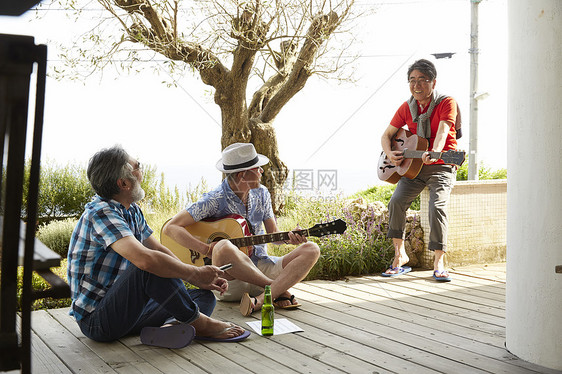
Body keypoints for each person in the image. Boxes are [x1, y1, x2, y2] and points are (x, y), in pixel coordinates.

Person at [67, 145, 250, 349]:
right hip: (98, 321)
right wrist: (194, 274)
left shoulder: (132, 210)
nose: (142, 171)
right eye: (138, 166)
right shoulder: (100, 213)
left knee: (203, 296)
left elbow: (160, 249)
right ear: (124, 183)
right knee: (147, 266)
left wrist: (199, 275)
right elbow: (147, 260)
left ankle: (170, 327)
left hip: (131, 311)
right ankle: (198, 323)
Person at [164, 142, 321, 316]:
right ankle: (275, 290)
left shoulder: (262, 193)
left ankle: (261, 299)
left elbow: (274, 236)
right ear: (242, 176)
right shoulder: (215, 199)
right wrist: (208, 249)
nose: (261, 171)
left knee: (312, 249)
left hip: (262, 266)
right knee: (222, 247)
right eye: (257, 168)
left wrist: (289, 238)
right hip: (230, 281)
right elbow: (171, 228)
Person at [380, 59, 458, 282]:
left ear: (433, 82)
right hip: (413, 169)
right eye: (412, 80)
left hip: (441, 165)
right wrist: (391, 153)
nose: (417, 85)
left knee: (437, 207)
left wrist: (434, 151)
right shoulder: (406, 107)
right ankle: (399, 256)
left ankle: (439, 261)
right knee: (395, 202)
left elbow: (443, 131)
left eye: (422, 80)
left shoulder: (446, 102)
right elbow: (386, 135)